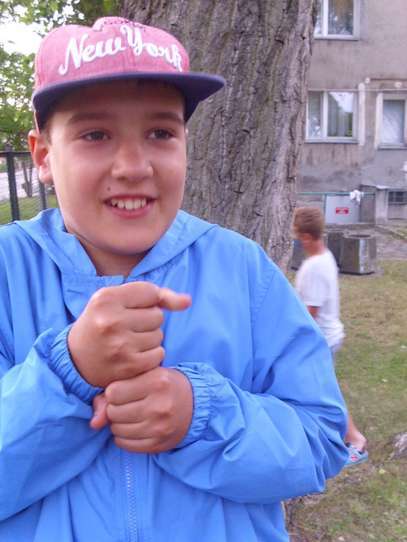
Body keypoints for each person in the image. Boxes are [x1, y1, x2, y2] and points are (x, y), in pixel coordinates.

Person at [0, 17, 348, 542]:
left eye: (160, 133)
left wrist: (202, 418)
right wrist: (68, 374)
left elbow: (321, 442)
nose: (133, 166)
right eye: (95, 135)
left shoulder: (244, 271)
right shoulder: (7, 272)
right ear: (44, 156)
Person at [293, 206, 368, 467]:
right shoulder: (326, 256)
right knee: (321, 390)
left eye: (297, 234)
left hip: (321, 339)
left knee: (327, 393)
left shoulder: (314, 267)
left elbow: (310, 313)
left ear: (305, 236)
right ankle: (327, 436)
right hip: (330, 335)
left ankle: (356, 441)